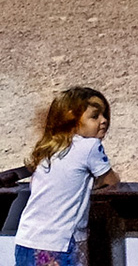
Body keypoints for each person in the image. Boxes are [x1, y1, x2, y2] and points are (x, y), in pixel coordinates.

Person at [12, 87, 118, 266]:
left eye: (104, 115)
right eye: (95, 116)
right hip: (61, 242)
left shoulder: (48, 149)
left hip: (27, 239)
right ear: (72, 120)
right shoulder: (89, 146)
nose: (104, 121)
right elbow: (111, 181)